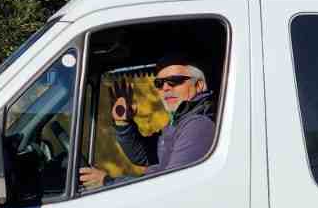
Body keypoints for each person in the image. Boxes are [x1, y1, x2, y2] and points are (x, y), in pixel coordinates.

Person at [77, 56, 216, 190]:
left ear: (198, 85)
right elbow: (144, 156)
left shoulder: (198, 125)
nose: (166, 88)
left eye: (175, 80)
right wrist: (122, 122)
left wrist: (107, 182)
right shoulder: (179, 120)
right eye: (159, 84)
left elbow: (170, 186)